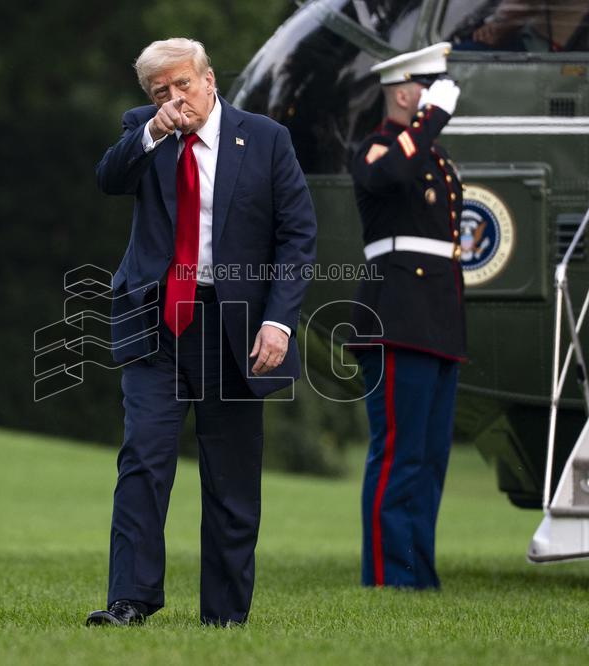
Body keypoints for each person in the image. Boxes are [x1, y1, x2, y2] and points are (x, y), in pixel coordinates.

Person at [87, 38, 317, 626]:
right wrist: (151, 133)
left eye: (182, 84)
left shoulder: (265, 139)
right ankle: (129, 602)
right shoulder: (143, 131)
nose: (174, 98)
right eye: (160, 90)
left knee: (231, 473)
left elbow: (297, 237)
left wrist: (278, 322)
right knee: (144, 457)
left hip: (235, 328)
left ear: (209, 80)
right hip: (156, 321)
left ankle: (224, 615)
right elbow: (109, 180)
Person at [348, 42, 466, 589]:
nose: (438, 96)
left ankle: (419, 572)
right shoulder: (375, 148)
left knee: (430, 457)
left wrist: (428, 127)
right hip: (396, 313)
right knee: (398, 452)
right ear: (403, 91)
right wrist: (432, 118)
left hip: (437, 316)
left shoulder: (431, 155)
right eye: (428, 86)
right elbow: (389, 177)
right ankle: (389, 575)